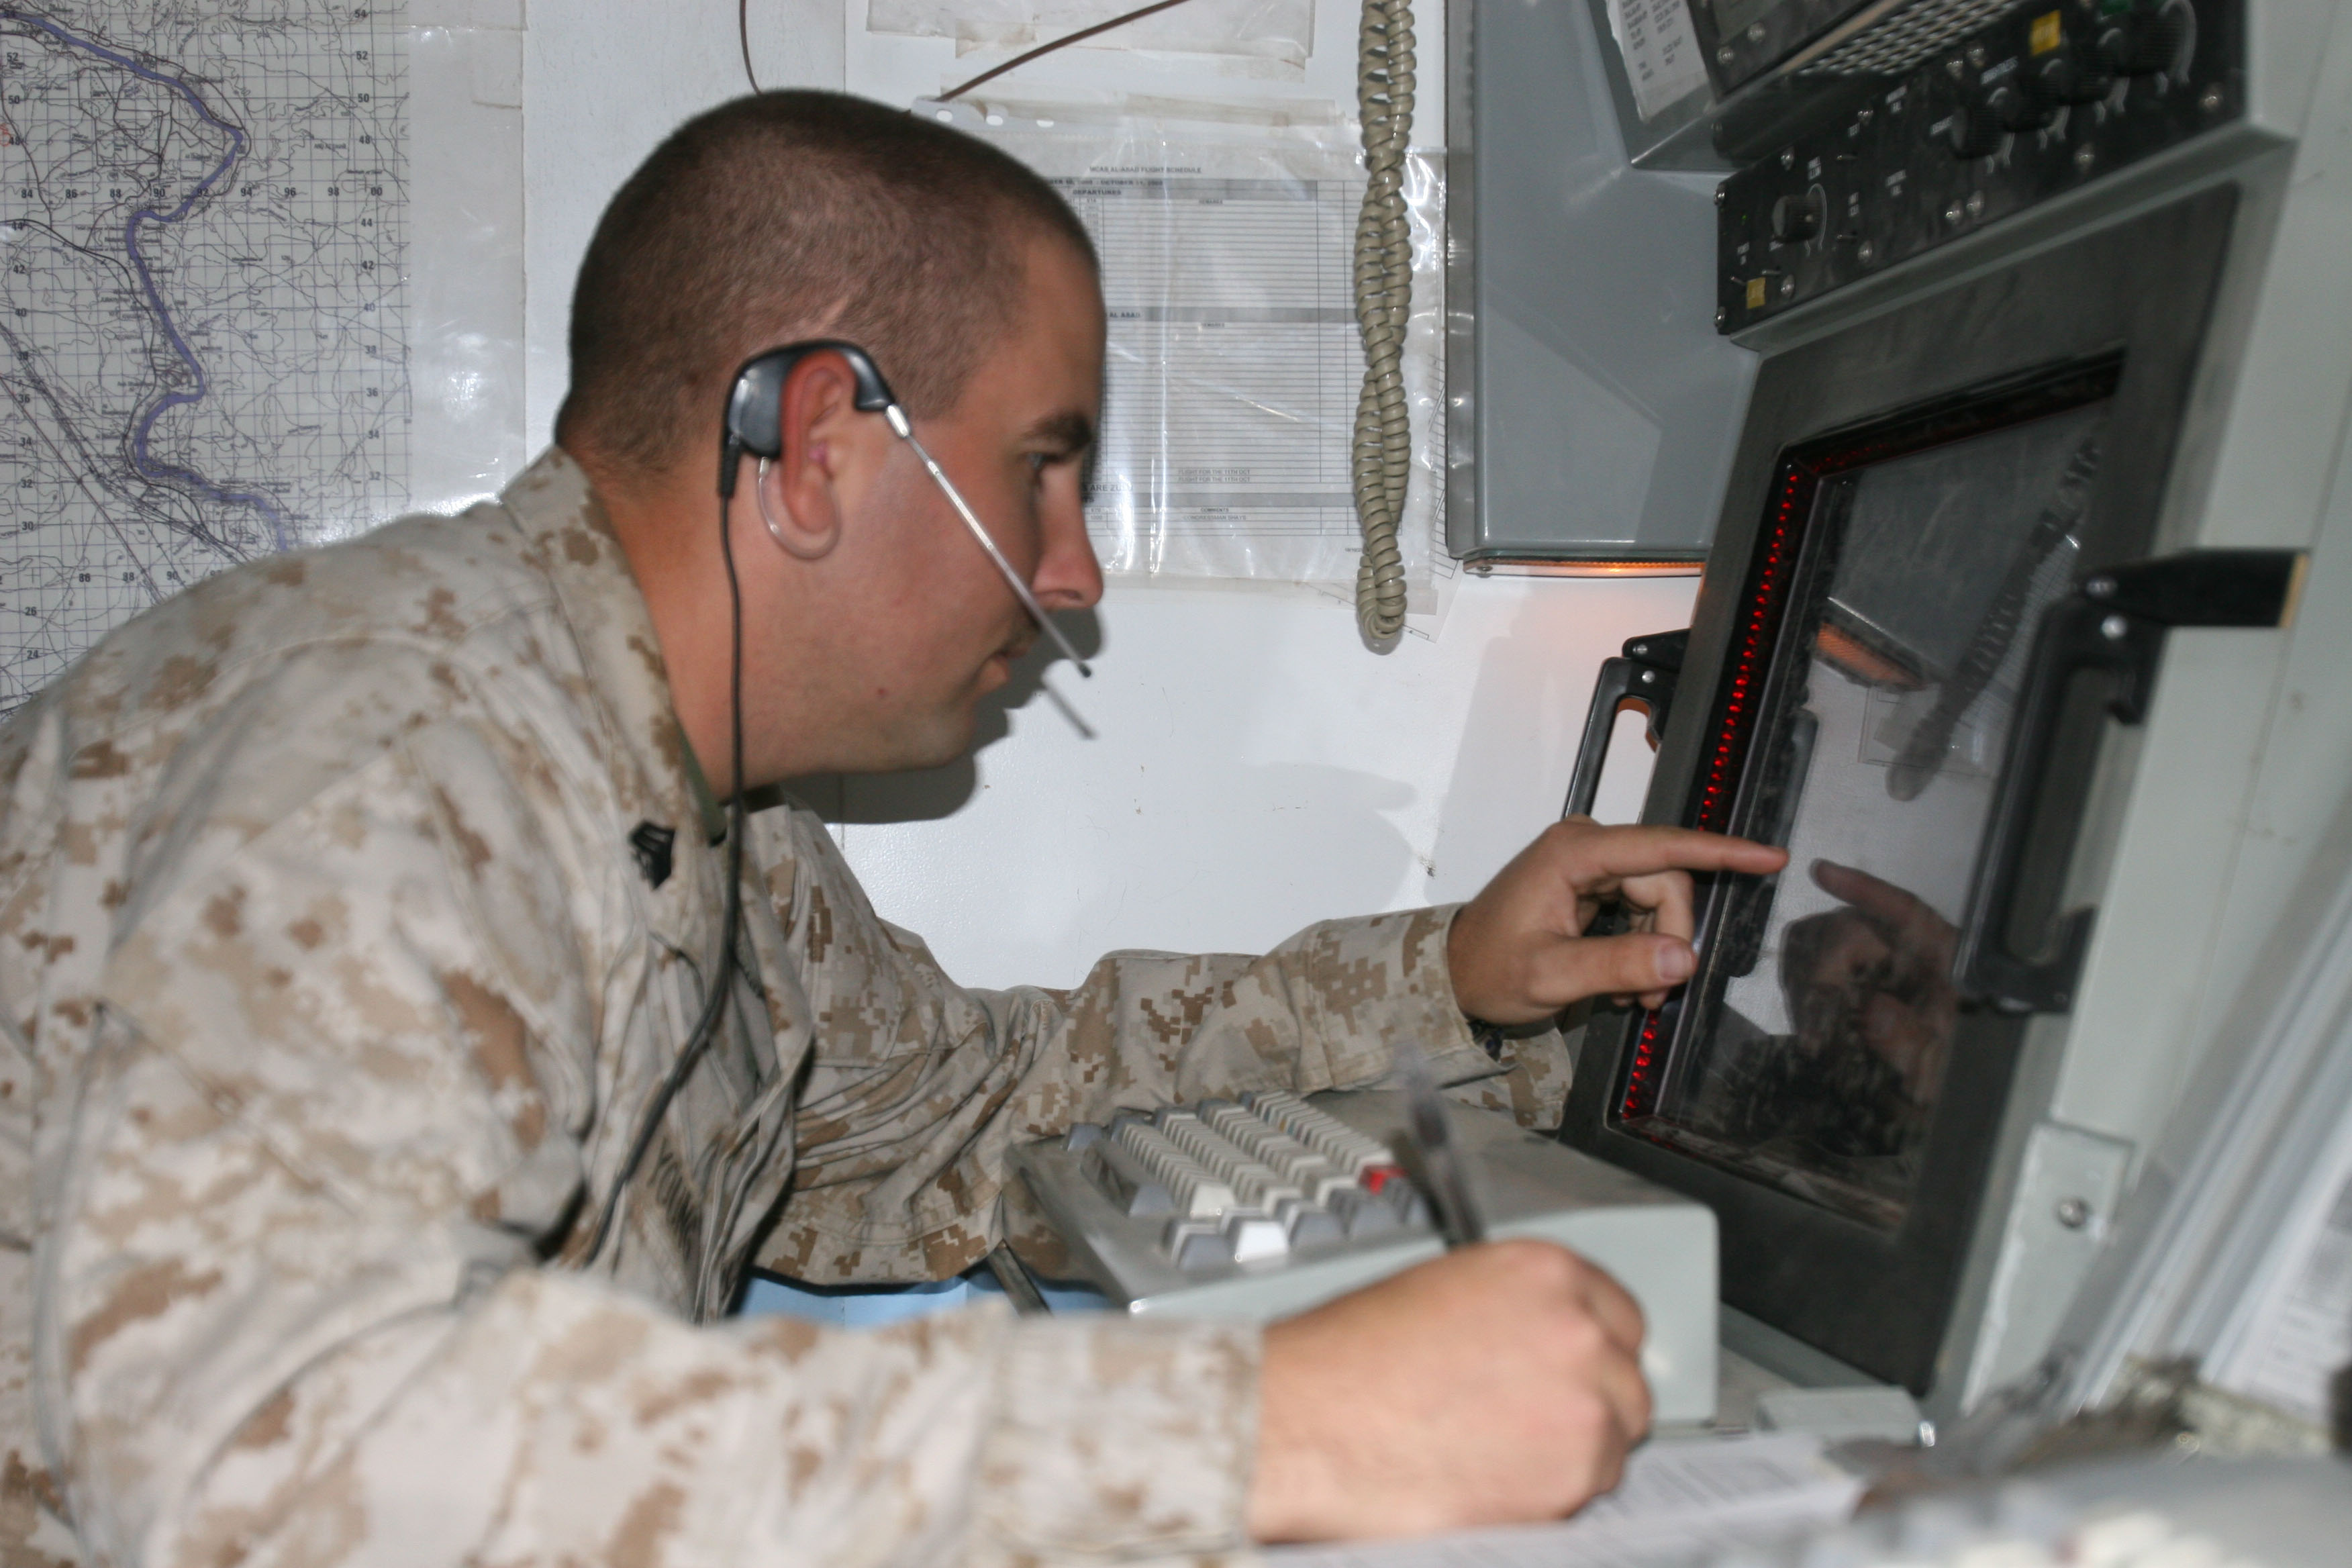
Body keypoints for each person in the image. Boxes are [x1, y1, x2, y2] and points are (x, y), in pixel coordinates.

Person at [0, 91, 1785, 1565]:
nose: (1073, 575)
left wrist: (1448, 979)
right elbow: (261, 1468)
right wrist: (1268, 1430)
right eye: (1043, 468)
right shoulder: (396, 755)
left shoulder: (703, 813)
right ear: (820, 448)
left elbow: (957, 1119)